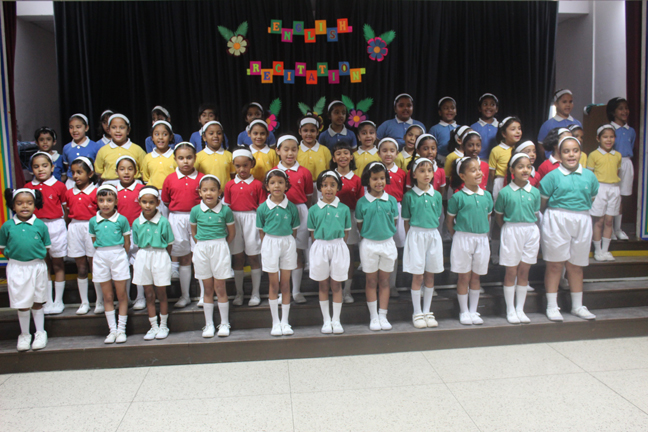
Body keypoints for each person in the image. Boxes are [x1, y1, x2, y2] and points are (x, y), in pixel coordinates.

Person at [539, 136, 599, 322]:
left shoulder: (590, 176)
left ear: (580, 153)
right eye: (566, 151)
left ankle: (577, 306)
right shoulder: (552, 177)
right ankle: (551, 306)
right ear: (559, 153)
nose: (571, 155)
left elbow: (591, 198)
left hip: (582, 219)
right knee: (555, 264)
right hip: (557, 219)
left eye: (575, 151)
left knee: (576, 265)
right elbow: (542, 203)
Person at [1, 188, 50, 351]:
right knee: (22, 302)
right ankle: (24, 334)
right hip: (17, 267)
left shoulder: (40, 225)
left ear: (35, 205)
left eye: (29, 203)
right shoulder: (7, 226)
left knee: (37, 300)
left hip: (37, 266)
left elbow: (46, 247)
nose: (24, 206)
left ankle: (40, 332)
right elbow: (3, 248)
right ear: (13, 206)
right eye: (19, 203)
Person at [447, 156, 493, 325]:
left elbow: (487, 217)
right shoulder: (457, 197)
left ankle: (474, 310)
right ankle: (464, 311)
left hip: (481, 238)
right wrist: (457, 236)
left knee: (476, 277)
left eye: (479, 169)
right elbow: (449, 221)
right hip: (463, 238)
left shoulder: (487, 196)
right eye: (473, 170)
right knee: (463, 277)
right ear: (463, 176)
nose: (478, 173)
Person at [494, 153, 540, 324]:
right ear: (512, 170)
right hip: (511, 230)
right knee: (511, 271)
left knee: (524, 271)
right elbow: (499, 217)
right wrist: (508, 229)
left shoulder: (535, 192)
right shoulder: (505, 192)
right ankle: (510, 309)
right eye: (520, 167)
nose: (525, 170)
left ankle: (520, 309)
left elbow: (535, 213)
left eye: (528, 166)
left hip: (530, 231)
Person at [355, 162, 399, 331]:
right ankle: (373, 316)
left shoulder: (392, 200)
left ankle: (383, 315)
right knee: (371, 281)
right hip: (369, 245)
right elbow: (360, 226)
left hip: (387, 244)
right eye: (374, 178)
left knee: (385, 281)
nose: (379, 182)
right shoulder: (362, 202)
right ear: (368, 180)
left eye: (382, 178)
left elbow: (394, 222)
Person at [190, 175, 236, 338]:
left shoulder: (225, 210)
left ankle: (224, 323)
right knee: (207, 288)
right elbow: (194, 232)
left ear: (219, 192)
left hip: (220, 247)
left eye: (212, 190)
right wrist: (203, 245)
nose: (209, 193)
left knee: (220, 287)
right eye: (205, 190)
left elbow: (231, 233)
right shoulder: (195, 211)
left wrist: (220, 246)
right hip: (202, 248)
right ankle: (208, 324)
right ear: (200, 192)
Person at [257, 169, 300, 336]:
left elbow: (294, 230)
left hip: (287, 242)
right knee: (274, 284)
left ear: (286, 186)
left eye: (281, 182)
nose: (277, 186)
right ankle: (275, 322)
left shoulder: (291, 207)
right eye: (273, 183)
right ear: (267, 186)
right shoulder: (262, 208)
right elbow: (261, 231)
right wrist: (268, 245)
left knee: (285, 284)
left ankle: (285, 321)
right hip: (270, 243)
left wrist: (286, 242)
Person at [402, 157, 443, 329]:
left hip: (432, 235)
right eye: (422, 170)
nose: (426, 174)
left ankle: (427, 311)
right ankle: (417, 312)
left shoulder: (437, 195)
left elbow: (437, 216)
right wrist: (411, 240)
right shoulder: (409, 196)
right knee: (417, 275)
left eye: (429, 170)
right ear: (414, 174)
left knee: (430, 274)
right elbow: (406, 221)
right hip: (416, 236)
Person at [308, 171, 351, 334]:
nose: (328, 189)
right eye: (325, 185)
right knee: (323, 284)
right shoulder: (313, 209)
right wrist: (321, 246)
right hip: (320, 246)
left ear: (338, 187)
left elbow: (346, 232)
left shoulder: (344, 209)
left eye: (332, 185)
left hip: (338, 246)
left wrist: (338, 246)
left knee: (336, 284)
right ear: (319, 188)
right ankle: (326, 320)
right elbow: (312, 233)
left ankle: (336, 320)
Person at [162, 142, 204, 308]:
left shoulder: (202, 178)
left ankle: (204, 295)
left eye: (189, 157)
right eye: (181, 158)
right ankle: (185, 296)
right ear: (175, 159)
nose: (185, 161)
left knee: (200, 256)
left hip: (198, 218)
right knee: (184, 257)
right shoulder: (170, 179)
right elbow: (166, 200)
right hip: (177, 218)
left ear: (195, 158)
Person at [25, 152, 68, 315]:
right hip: (37, 227)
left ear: (52, 167)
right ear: (31, 169)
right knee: (43, 265)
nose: (40, 169)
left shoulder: (59, 186)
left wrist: (63, 225)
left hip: (56, 225)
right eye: (36, 166)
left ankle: (58, 300)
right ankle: (47, 300)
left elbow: (65, 209)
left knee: (58, 263)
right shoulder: (28, 187)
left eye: (44, 166)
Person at [89, 184, 132, 344]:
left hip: (118, 255)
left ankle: (121, 329)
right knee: (107, 296)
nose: (105, 204)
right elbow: (94, 241)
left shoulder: (122, 220)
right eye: (101, 200)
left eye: (109, 200)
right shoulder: (93, 221)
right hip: (101, 256)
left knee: (121, 295)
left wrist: (120, 255)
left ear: (116, 201)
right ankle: (112, 330)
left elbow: (127, 242)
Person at [224, 147, 266, 306]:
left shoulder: (258, 185)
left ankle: (255, 293)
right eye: (238, 166)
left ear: (252, 164)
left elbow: (262, 208)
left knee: (254, 256)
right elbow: (226, 207)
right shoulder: (229, 185)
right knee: (238, 257)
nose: (242, 169)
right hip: (234, 220)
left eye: (245, 165)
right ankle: (239, 293)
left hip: (252, 220)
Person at [131, 186, 174, 340]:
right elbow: (137, 243)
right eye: (144, 202)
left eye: (151, 202)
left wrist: (164, 258)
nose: (147, 205)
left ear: (158, 203)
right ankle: (153, 326)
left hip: (160, 255)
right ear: (139, 202)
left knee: (161, 293)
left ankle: (163, 325)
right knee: (149, 294)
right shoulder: (137, 222)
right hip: (143, 255)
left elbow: (169, 244)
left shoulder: (163, 222)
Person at [275, 135, 314, 304]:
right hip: (279, 212)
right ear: (278, 151)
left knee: (297, 251)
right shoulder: (273, 172)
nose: (290, 153)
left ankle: (296, 291)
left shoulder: (304, 172)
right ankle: (281, 292)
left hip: (299, 211)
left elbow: (309, 197)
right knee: (281, 254)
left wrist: (302, 211)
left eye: (293, 149)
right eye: (286, 149)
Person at [65, 157, 101, 315]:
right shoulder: (69, 193)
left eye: (79, 172)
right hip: (74, 227)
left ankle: (99, 300)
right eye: (73, 172)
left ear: (90, 173)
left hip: (91, 227)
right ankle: (84, 302)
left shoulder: (96, 192)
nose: (76, 176)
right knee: (81, 267)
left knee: (95, 266)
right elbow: (67, 213)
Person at [330, 143, 363, 303]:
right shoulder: (329, 177)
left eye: (346, 153)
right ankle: (335, 290)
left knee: (348, 254)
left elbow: (360, 203)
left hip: (350, 217)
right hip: (331, 218)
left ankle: (347, 291)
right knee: (333, 254)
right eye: (338, 153)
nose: (342, 156)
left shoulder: (357, 179)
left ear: (351, 157)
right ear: (333, 158)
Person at [114, 156, 145, 309]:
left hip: (138, 231)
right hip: (120, 233)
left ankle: (140, 297)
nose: (126, 172)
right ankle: (124, 298)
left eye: (130, 169)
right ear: (116, 172)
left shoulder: (141, 189)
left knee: (139, 264)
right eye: (122, 169)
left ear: (136, 171)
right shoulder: (113, 191)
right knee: (123, 265)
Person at [588, 124, 622, 261]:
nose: (609, 140)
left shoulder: (617, 155)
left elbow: (617, 172)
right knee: (599, 220)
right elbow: (590, 176)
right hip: (599, 188)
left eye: (611, 137)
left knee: (609, 221)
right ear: (598, 138)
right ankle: (597, 250)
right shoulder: (593, 155)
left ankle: (605, 250)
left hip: (614, 188)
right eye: (605, 137)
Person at [378, 138, 406, 297]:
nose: (388, 154)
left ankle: (392, 284)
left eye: (392, 150)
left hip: (397, 210)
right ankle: (379, 284)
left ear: (397, 153)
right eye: (384, 150)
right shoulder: (374, 171)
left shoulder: (401, 173)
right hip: (378, 210)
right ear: (378, 153)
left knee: (393, 248)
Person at [607, 97, 636, 240]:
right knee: (612, 195)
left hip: (626, 163)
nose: (625, 111)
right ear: (613, 112)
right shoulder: (609, 129)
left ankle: (618, 228)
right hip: (613, 163)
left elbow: (631, 146)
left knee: (621, 197)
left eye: (626, 108)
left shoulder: (631, 131)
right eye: (620, 108)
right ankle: (610, 229)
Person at [94, 114, 146, 185]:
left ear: (128, 130)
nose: (118, 131)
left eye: (122, 128)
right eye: (114, 127)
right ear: (109, 130)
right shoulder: (103, 151)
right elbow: (99, 172)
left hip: (133, 184)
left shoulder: (137, 150)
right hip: (110, 185)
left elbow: (144, 171)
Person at [141, 121, 178, 208]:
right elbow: (146, 178)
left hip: (171, 193)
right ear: (152, 137)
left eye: (165, 134)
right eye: (157, 134)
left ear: (170, 137)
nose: (160, 137)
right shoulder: (148, 157)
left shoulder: (175, 156)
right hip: (153, 194)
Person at [62, 114, 100, 189]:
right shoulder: (66, 148)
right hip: (72, 182)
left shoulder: (95, 146)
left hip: (90, 182)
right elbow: (67, 166)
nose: (74, 130)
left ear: (86, 128)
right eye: (71, 127)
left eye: (78, 127)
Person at [195, 121, 234, 186]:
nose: (215, 136)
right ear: (204, 137)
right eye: (211, 133)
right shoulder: (198, 157)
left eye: (219, 133)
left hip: (225, 192)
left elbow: (233, 177)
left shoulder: (229, 155)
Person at [471, 93, 500, 159]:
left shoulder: (501, 127)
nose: (488, 107)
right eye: (485, 104)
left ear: (496, 109)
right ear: (479, 108)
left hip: (497, 161)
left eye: (492, 104)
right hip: (478, 161)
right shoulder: (473, 127)